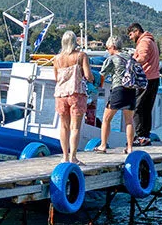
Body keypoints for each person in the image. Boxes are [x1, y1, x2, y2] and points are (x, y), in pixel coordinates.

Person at [51, 30, 93, 164]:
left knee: (63, 127)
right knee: (75, 127)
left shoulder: (56, 58)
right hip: (76, 93)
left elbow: (57, 78)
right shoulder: (81, 56)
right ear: (75, 42)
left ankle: (64, 157)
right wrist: (92, 79)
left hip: (60, 95)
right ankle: (73, 157)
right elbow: (88, 75)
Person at [96, 36, 137, 154]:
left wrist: (99, 85)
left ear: (113, 47)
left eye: (108, 48)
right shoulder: (130, 57)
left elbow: (102, 73)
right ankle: (129, 147)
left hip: (118, 89)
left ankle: (103, 145)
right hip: (131, 89)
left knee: (106, 119)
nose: (108, 50)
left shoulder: (112, 58)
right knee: (129, 121)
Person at [126, 22, 160, 144]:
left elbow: (143, 57)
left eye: (130, 34)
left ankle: (140, 136)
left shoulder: (144, 42)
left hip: (144, 79)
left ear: (136, 31)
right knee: (146, 108)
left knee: (138, 108)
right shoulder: (151, 41)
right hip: (154, 78)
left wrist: (131, 61)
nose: (130, 38)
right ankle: (145, 136)